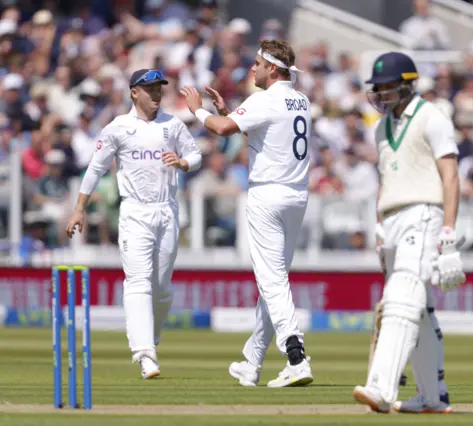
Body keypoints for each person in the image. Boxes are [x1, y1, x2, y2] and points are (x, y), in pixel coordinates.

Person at [181, 39, 313, 387]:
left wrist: (198, 110)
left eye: (257, 63)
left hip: (268, 196)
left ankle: (296, 355)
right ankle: (252, 362)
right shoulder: (301, 100)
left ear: (272, 68)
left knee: (272, 281)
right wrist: (228, 112)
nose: (252, 69)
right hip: (296, 196)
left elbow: (222, 130)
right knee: (274, 284)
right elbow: (264, 135)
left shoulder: (265, 100)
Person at [66, 69, 202, 379]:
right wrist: (79, 209)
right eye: (150, 89)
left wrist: (183, 162)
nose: (157, 94)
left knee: (162, 289)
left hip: (167, 211)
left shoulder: (173, 124)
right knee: (138, 281)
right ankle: (145, 354)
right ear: (134, 93)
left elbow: (196, 156)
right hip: (135, 214)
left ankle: (150, 338)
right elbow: (95, 169)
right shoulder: (118, 128)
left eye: (159, 89)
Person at [353, 51, 465, 414]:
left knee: (403, 296)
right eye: (378, 88)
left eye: (388, 87)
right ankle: (432, 397)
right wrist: (379, 226)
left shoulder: (433, 117)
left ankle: (381, 389)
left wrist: (448, 229)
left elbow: (450, 176)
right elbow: (386, 180)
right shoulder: (380, 129)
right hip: (393, 219)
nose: (382, 94)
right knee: (421, 310)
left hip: (425, 213)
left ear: (408, 85)